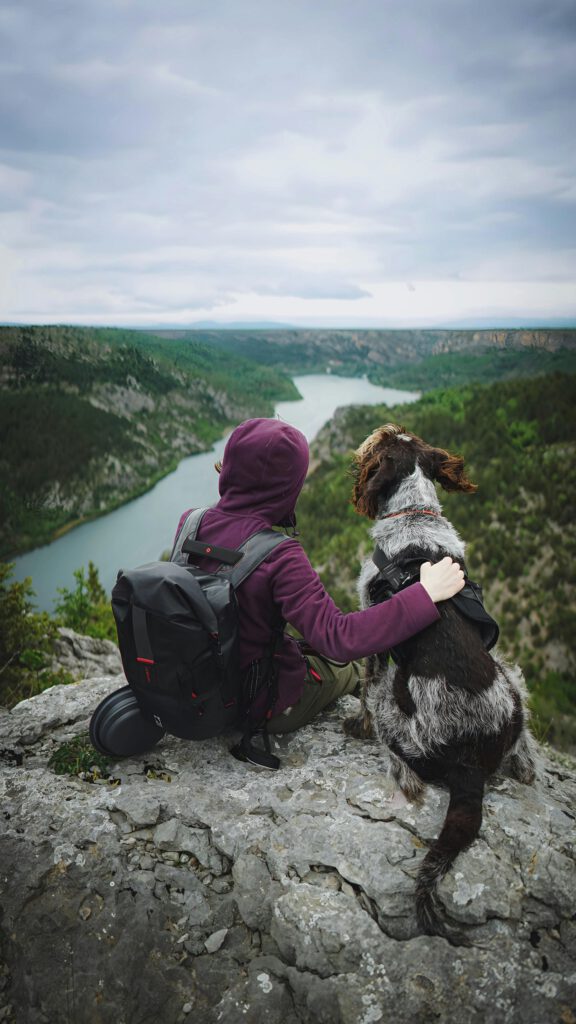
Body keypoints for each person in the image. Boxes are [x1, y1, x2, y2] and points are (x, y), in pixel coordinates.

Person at [173, 418, 464, 734]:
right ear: (287, 488)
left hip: (193, 686)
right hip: (253, 701)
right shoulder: (279, 556)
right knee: (347, 670)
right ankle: (368, 719)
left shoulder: (191, 522)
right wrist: (423, 595)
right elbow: (340, 639)